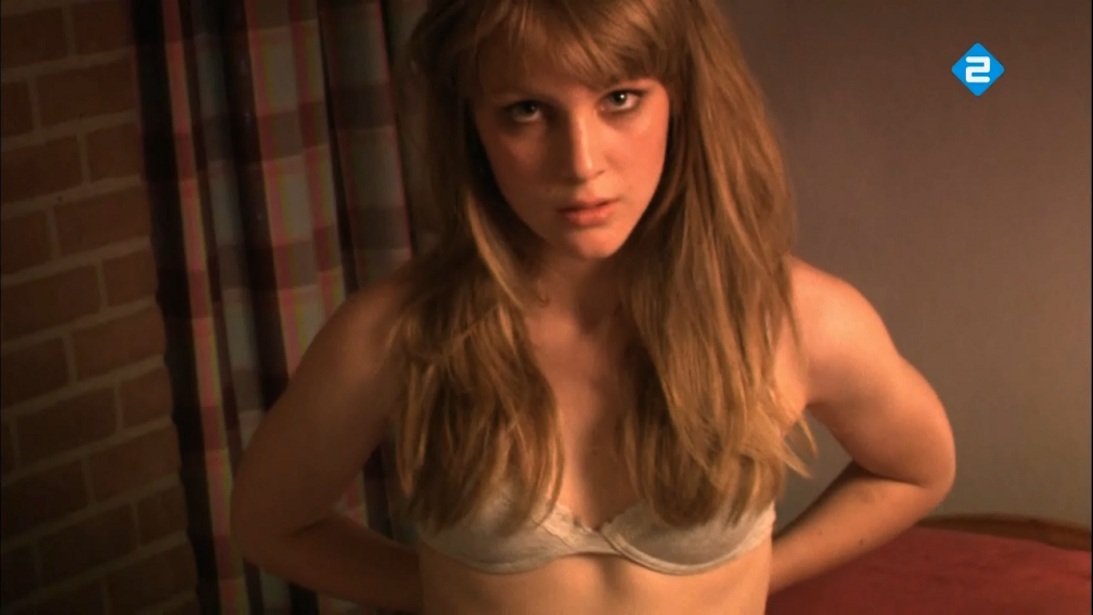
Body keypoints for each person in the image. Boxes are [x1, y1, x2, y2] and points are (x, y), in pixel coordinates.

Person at [230, 0, 957, 613]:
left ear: (682, 100)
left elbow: (915, 470)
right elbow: (270, 526)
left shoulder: (796, 319)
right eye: (526, 111)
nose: (580, 162)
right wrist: (449, 593)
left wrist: (763, 569)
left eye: (619, 99)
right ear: (472, 127)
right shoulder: (396, 333)